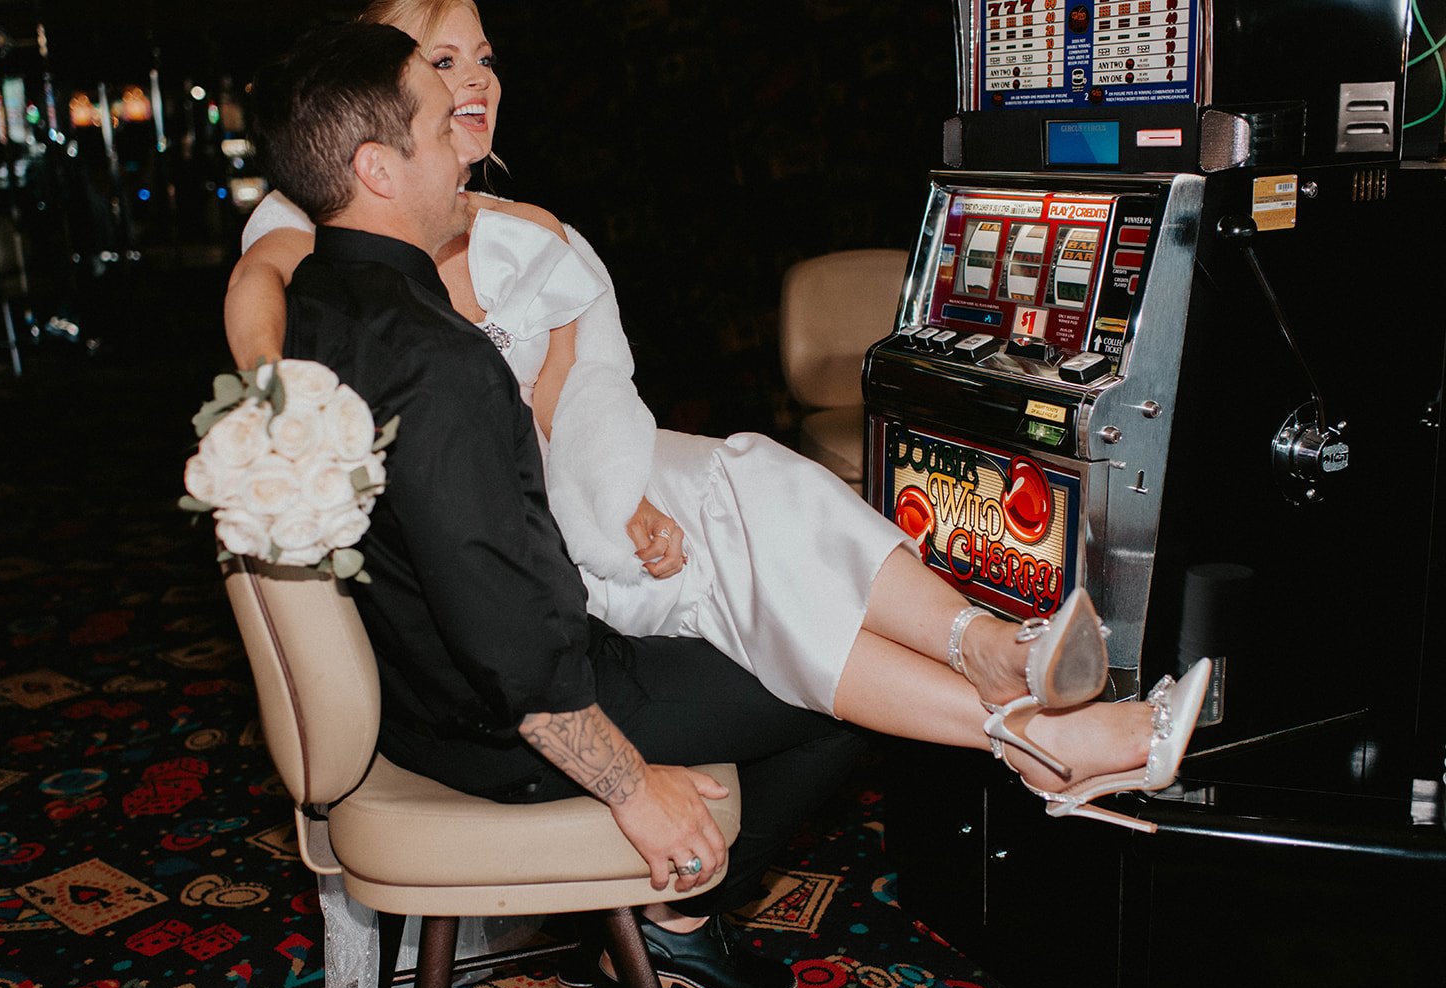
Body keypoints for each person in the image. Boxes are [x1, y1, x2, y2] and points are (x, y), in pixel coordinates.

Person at [228, 0, 1213, 837]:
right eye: (439, 77)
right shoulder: (394, 323)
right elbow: (510, 636)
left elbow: (560, 403)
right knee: (776, 610)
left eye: (481, 60)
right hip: (513, 669)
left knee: (760, 486)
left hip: (522, 565)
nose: (468, 95)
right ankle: (1031, 733)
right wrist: (280, 409)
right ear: (375, 152)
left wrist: (610, 492)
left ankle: (995, 667)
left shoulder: (395, 281)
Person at [251, 19, 872, 988]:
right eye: (438, 125)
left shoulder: (320, 302)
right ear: (376, 168)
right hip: (493, 728)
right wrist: (633, 788)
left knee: (763, 626)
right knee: (829, 686)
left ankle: (659, 930)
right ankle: (673, 925)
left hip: (415, 690)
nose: (465, 147)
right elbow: (514, 654)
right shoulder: (440, 361)